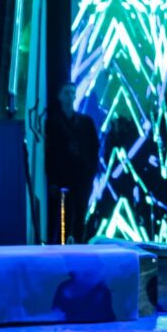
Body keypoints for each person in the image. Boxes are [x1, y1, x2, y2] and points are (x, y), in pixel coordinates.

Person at [45, 82, 99, 244]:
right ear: (59, 96)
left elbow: (94, 147)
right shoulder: (53, 123)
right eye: (66, 92)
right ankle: (64, 246)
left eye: (72, 93)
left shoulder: (86, 122)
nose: (70, 96)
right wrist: (53, 180)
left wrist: (90, 170)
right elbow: (50, 152)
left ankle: (79, 245)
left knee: (80, 213)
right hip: (63, 177)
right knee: (64, 215)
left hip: (82, 176)